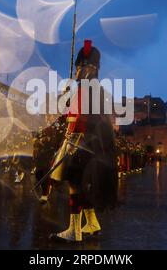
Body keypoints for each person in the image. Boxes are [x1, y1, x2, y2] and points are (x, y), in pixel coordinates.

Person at [49, 40, 118, 242]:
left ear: (92, 68)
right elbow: (71, 115)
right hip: (80, 142)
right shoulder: (84, 89)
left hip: (83, 143)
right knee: (80, 184)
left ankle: (74, 231)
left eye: (80, 66)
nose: (77, 70)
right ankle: (92, 223)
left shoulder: (92, 89)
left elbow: (92, 119)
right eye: (77, 67)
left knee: (75, 185)